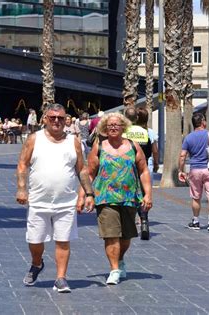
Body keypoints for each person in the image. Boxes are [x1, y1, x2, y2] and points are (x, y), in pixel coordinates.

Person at [16, 103, 95, 293]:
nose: (57, 121)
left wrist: (89, 193)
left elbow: (82, 169)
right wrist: (21, 189)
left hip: (66, 201)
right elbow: (22, 165)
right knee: (35, 241)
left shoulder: (74, 141)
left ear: (66, 119)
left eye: (61, 118)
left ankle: (61, 278)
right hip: (38, 200)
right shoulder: (35, 139)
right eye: (53, 118)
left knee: (63, 240)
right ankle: (37, 264)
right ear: (45, 119)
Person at [87, 112, 152, 285]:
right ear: (104, 128)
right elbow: (90, 173)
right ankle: (114, 269)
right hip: (105, 197)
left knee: (126, 236)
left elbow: (143, 170)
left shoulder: (133, 146)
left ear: (123, 127)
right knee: (111, 235)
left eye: (116, 125)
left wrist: (148, 194)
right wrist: (86, 195)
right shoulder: (99, 146)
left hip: (129, 197)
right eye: (110, 125)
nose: (113, 127)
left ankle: (120, 259)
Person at [178, 113, 209, 233]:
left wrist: (180, 170)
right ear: (203, 122)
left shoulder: (188, 137)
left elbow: (182, 156)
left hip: (195, 170)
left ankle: (196, 221)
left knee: (196, 197)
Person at [123, 107, 155, 240]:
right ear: (136, 118)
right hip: (142, 167)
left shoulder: (124, 132)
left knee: (127, 196)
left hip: (127, 169)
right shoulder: (144, 132)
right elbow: (148, 151)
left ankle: (127, 224)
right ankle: (144, 222)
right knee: (143, 196)